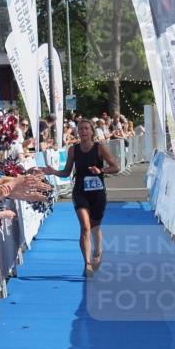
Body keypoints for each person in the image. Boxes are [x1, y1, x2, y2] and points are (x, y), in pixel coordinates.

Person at [42, 119, 120, 277]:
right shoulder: (73, 150)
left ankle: (98, 250)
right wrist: (53, 172)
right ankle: (87, 264)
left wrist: (101, 171)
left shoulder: (100, 148)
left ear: (92, 132)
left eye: (86, 129)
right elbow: (66, 172)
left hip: (97, 193)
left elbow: (116, 167)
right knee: (85, 227)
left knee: (95, 226)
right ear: (77, 132)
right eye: (80, 129)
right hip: (80, 192)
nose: (83, 131)